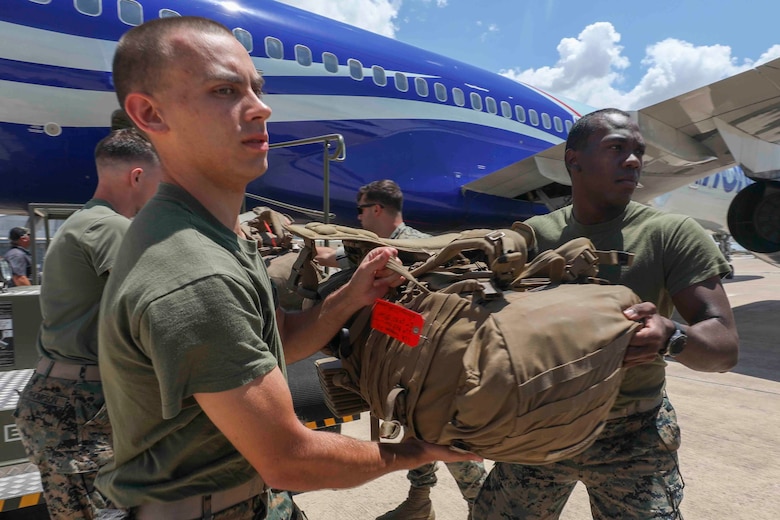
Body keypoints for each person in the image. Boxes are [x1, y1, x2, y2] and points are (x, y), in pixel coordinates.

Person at [96, 16, 479, 520]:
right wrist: (417, 451)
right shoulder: (194, 271)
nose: (260, 107)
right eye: (224, 90)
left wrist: (350, 296)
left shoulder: (216, 238)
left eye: (256, 88)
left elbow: (277, 347)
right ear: (150, 113)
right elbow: (290, 460)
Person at [473, 108, 739, 519]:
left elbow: (724, 348)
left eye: (638, 151)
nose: (633, 161)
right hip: (540, 426)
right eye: (616, 148)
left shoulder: (670, 234)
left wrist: (671, 336)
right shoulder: (534, 237)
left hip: (633, 437)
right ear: (573, 160)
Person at [13, 128, 162, 520]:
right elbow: (156, 309)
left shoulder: (82, 223)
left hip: (65, 403)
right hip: (82, 411)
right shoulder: (112, 229)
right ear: (137, 177)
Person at [315, 179, 431, 269]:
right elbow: (329, 256)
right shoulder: (372, 247)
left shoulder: (421, 250)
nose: (359, 216)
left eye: (361, 210)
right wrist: (299, 247)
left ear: (376, 209)